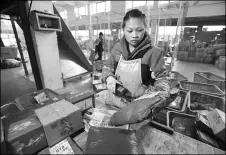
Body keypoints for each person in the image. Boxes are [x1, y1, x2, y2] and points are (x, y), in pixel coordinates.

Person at [102, 9, 170, 109]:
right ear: (123, 30)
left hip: (138, 106)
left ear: (145, 29)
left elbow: (161, 79)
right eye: (129, 31)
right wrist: (109, 77)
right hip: (114, 100)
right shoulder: (117, 49)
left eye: (139, 30)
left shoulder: (154, 53)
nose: (134, 35)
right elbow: (107, 67)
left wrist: (159, 94)